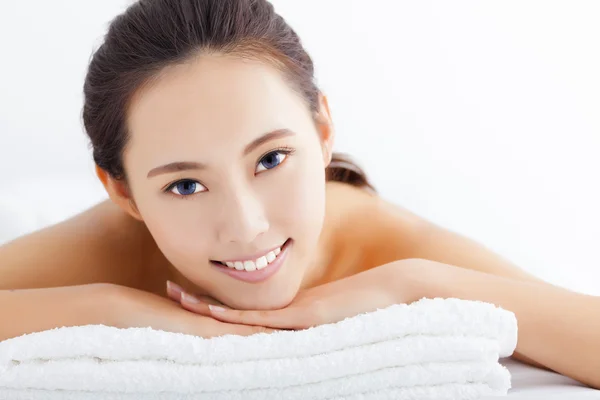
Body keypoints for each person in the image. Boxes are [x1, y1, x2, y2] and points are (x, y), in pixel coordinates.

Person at [0, 0, 598, 389]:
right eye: (185, 185)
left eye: (271, 159)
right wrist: (112, 310)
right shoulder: (119, 245)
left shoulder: (391, 248)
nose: (246, 226)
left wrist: (418, 284)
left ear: (322, 130)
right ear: (123, 193)